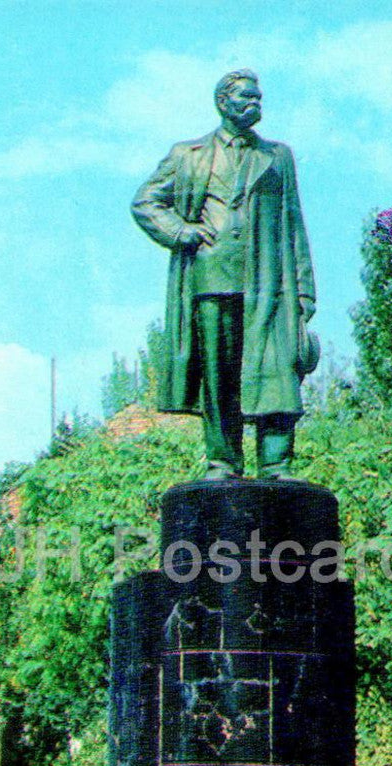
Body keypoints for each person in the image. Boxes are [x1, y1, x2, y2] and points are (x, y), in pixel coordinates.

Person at [131, 69, 319, 480]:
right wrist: (181, 231)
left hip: (268, 281)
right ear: (222, 102)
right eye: (246, 97)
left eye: (258, 98)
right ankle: (223, 460)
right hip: (211, 278)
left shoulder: (278, 156)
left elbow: (294, 225)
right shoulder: (189, 154)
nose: (255, 104)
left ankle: (276, 462)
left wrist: (304, 291)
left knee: (278, 369)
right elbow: (145, 201)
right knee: (218, 376)